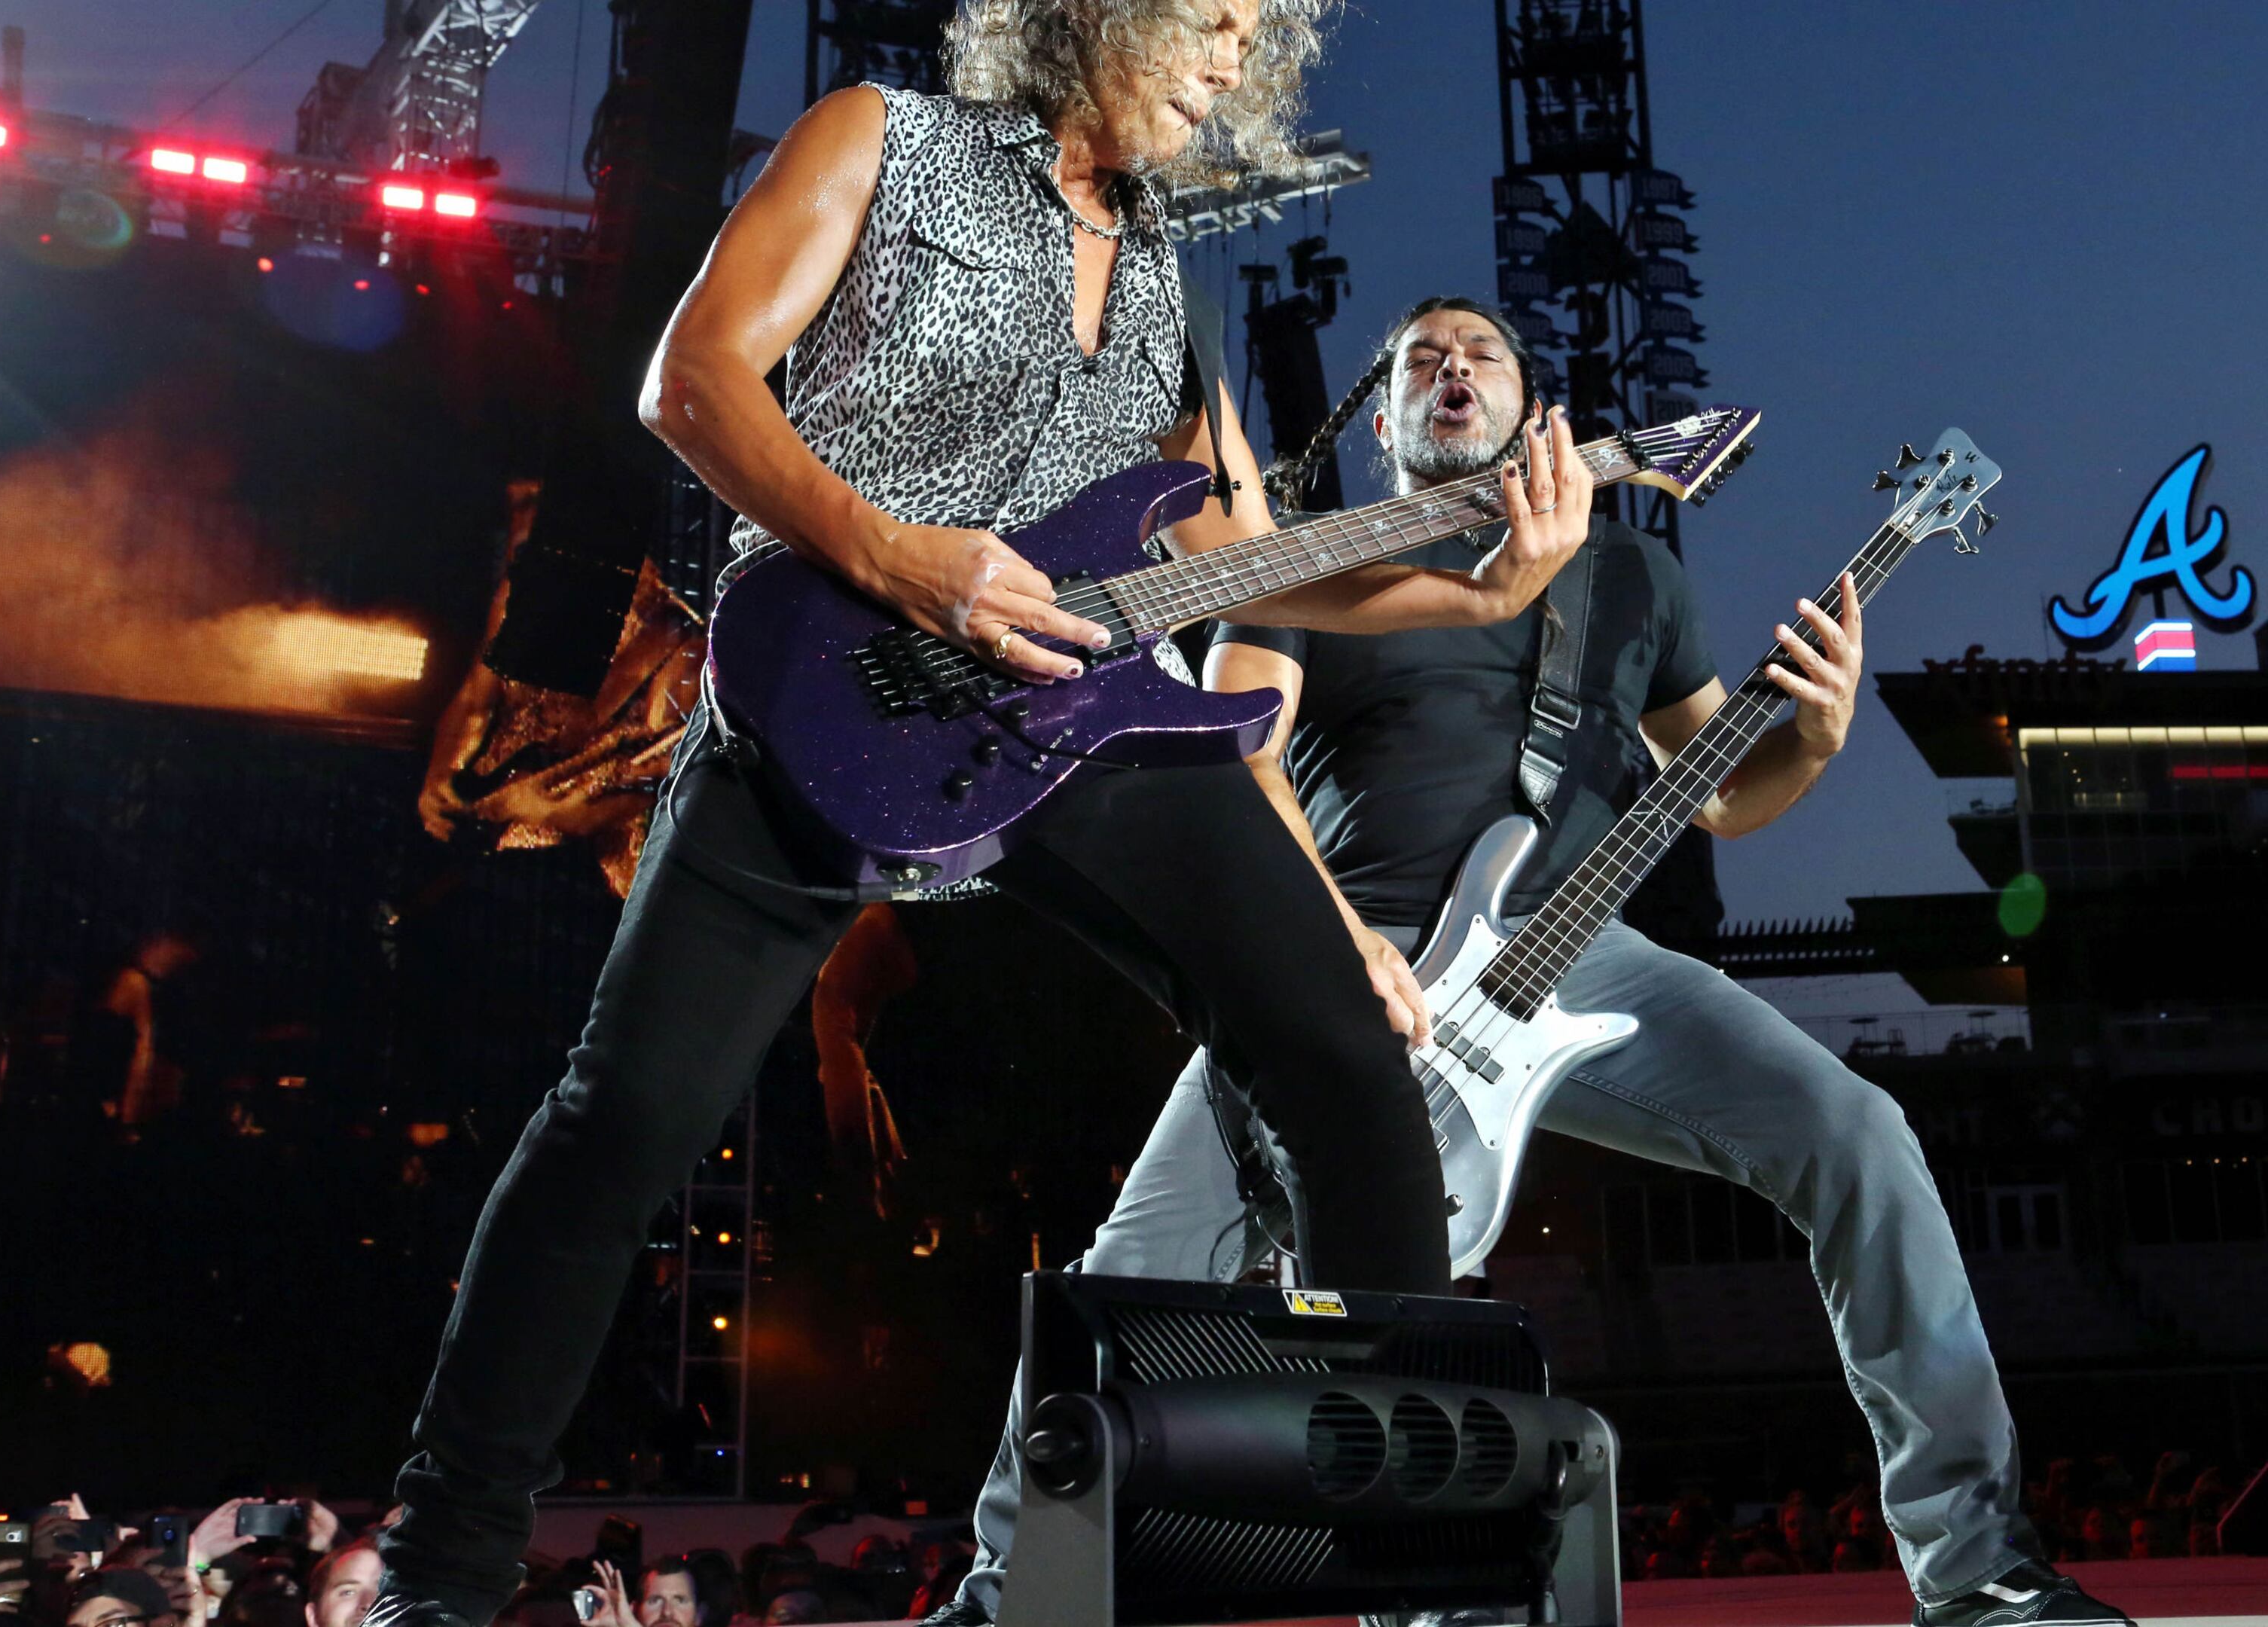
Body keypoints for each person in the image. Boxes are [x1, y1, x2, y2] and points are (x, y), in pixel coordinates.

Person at [365, 5, 1599, 1627]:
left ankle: (1424, 1584)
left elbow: (1245, 547)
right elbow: (695, 379)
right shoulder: (884, 139)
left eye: (1258, 35)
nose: (1236, 59)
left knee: (1353, 1068)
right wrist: (894, 555)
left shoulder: (1163, 273)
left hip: (1081, 716)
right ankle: (433, 1584)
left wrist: (1473, 585)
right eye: (1211, 17)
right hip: (824, 701)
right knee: (623, 1124)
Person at [948, 296, 2134, 1627]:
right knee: (1134, 1269)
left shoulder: (1631, 578)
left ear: (1532, 407)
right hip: (1355, 959)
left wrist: (1817, 735)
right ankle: (1004, 1599)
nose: (1453, 371)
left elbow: (1725, 797)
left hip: (1588, 957)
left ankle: (1981, 1574)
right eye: (1420, 362)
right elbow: (1237, 757)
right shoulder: (1311, 566)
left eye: (1484, 356)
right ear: (1386, 415)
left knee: (1863, 1135)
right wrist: (1334, 944)